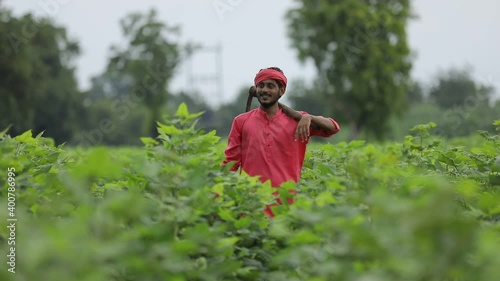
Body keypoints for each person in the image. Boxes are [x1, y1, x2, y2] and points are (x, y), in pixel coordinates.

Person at [221, 67, 340, 217]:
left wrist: (309, 117)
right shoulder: (241, 121)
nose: (265, 90)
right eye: (261, 85)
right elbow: (230, 164)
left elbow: (333, 127)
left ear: (281, 90)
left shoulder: (298, 121)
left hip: (287, 207)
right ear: (256, 89)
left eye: (271, 86)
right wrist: (217, 198)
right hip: (251, 207)